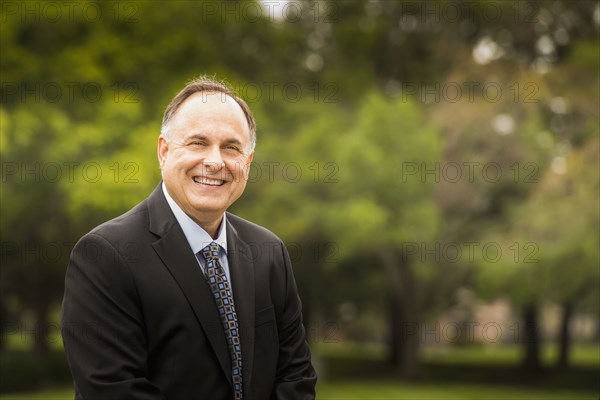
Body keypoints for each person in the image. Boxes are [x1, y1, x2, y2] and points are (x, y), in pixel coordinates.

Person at [61, 76, 317, 400]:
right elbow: (114, 391)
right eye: (198, 142)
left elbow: (295, 377)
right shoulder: (105, 255)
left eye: (231, 147)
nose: (214, 161)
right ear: (164, 151)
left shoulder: (269, 252)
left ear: (248, 163)